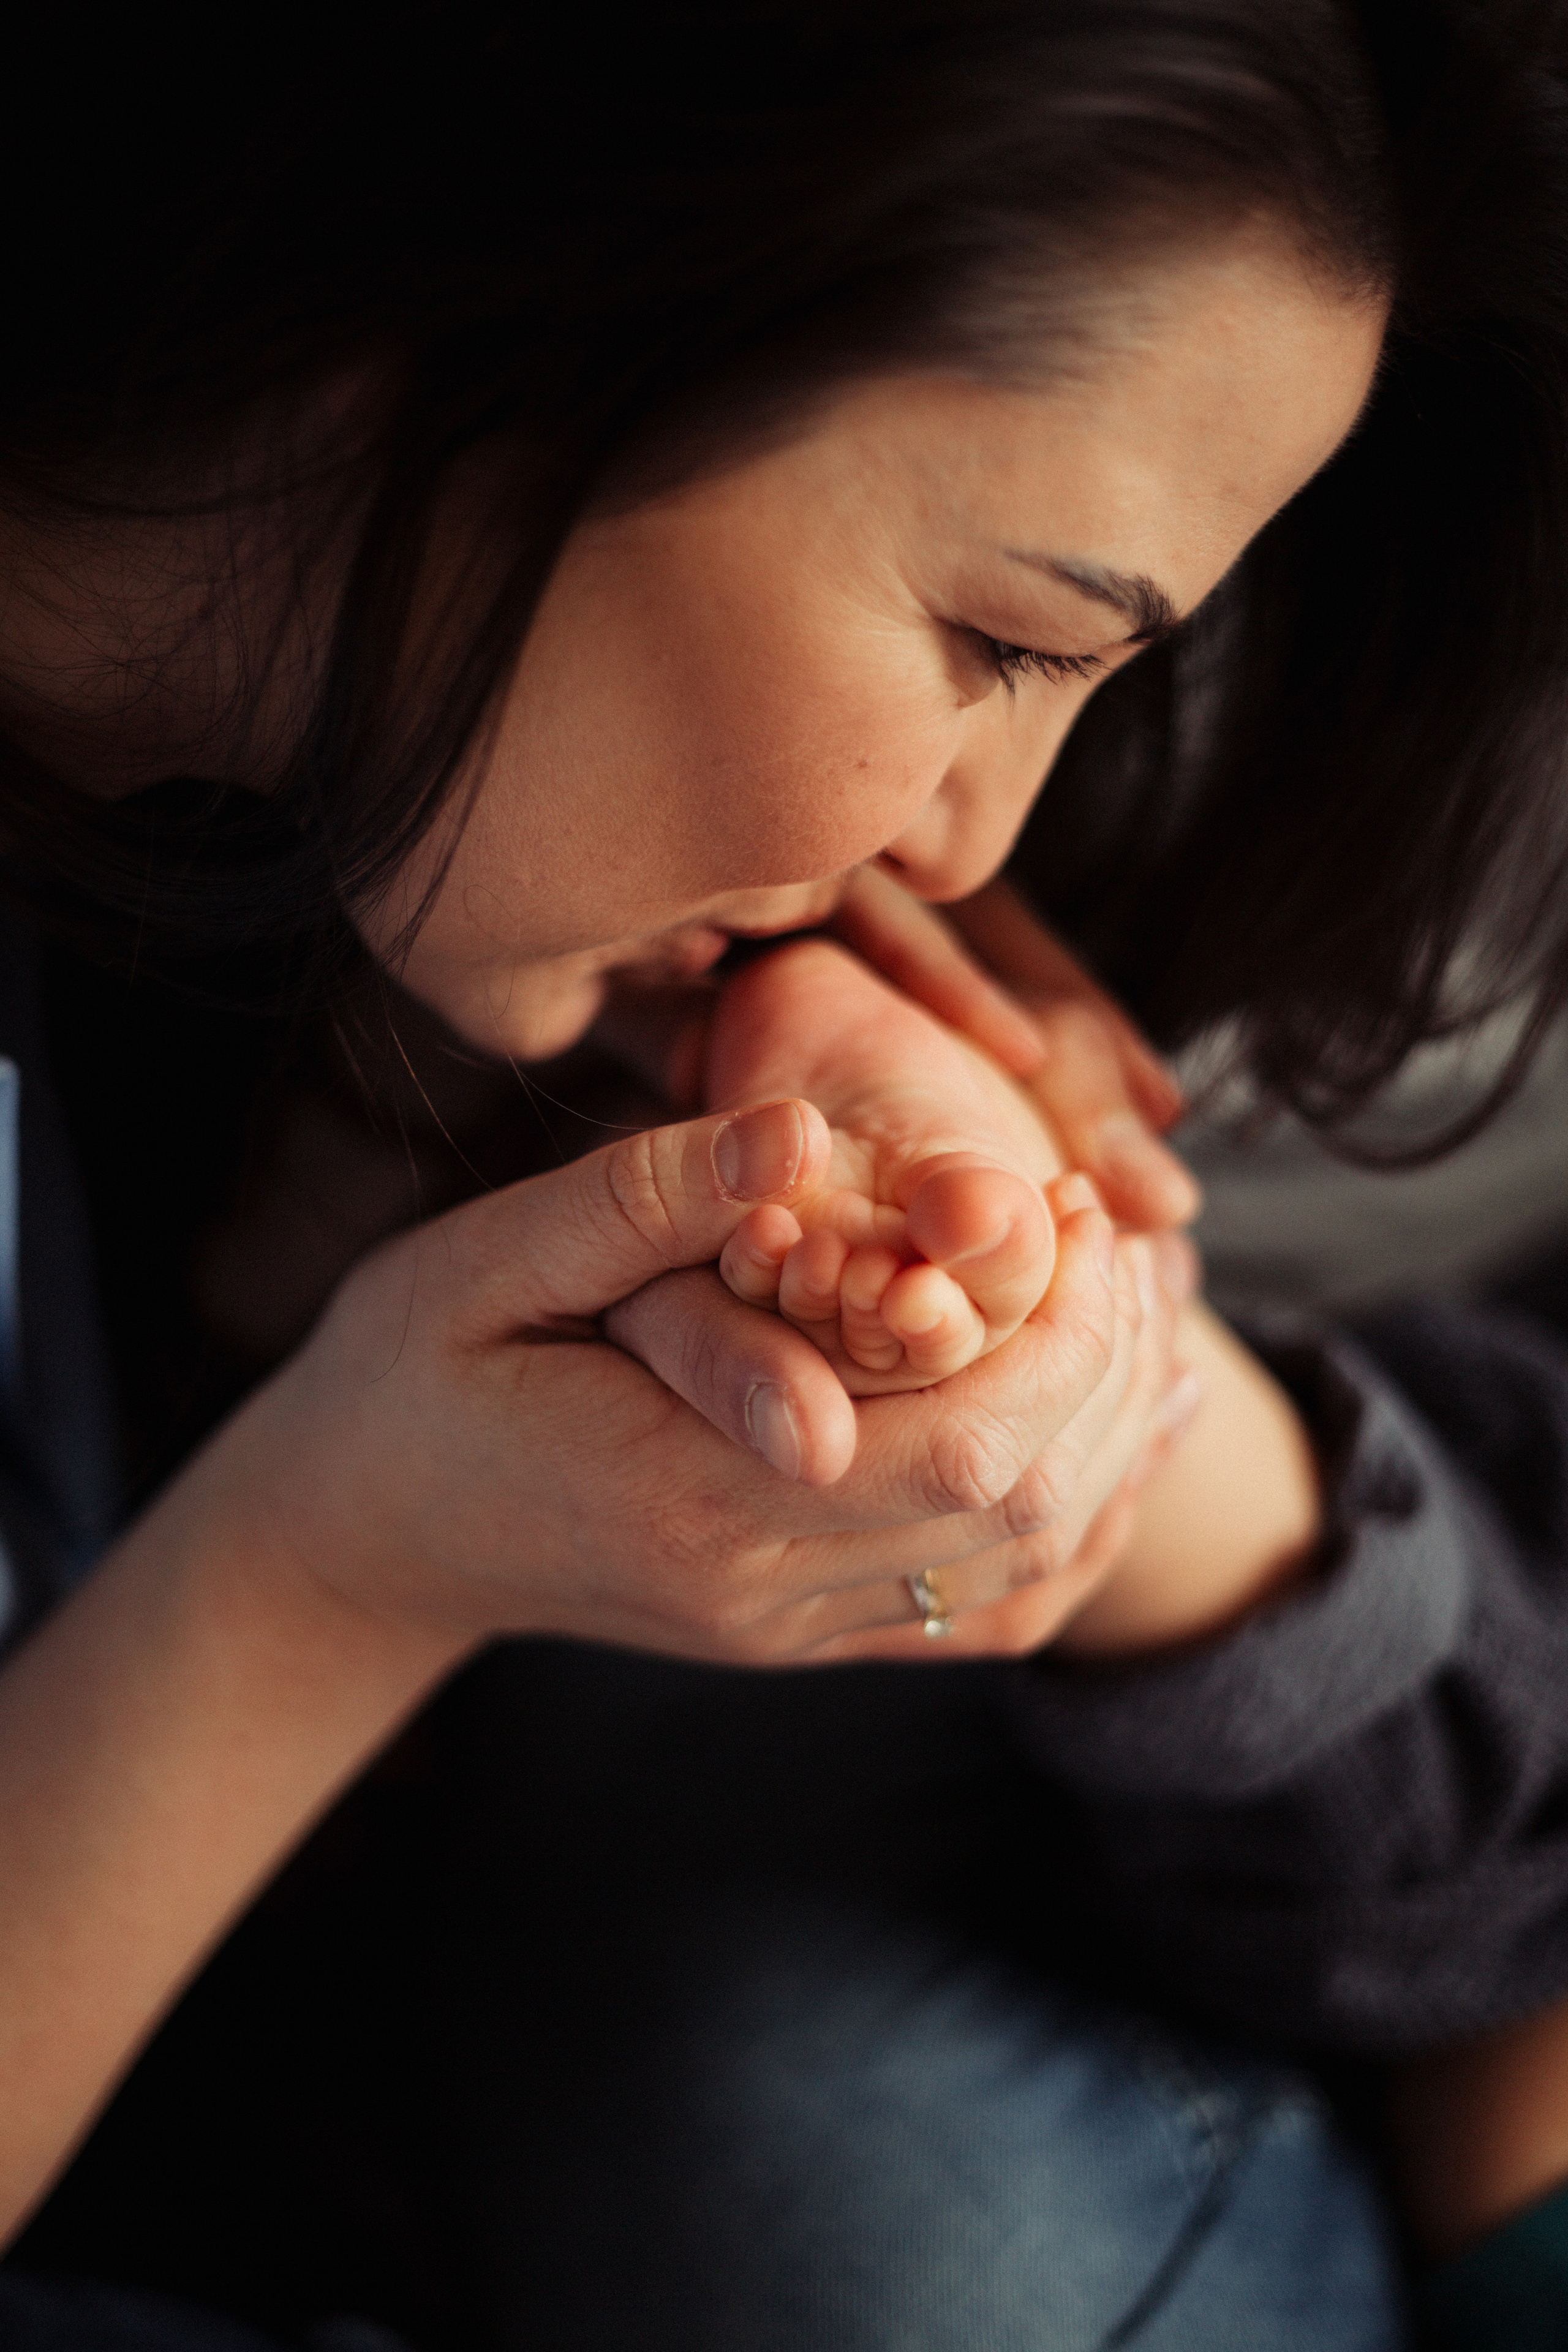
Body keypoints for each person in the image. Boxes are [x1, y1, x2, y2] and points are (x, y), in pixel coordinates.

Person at [0, 4, 1566, 2347]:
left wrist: (814, 1106)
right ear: (485, 290)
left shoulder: (402, 911)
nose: (967, 839)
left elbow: (1480, 1843)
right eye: (1000, 641)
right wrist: (331, 1564)